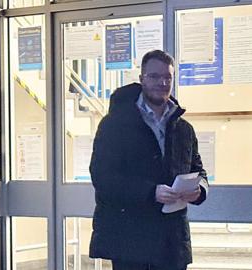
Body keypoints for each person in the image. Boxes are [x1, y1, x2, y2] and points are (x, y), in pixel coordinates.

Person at [89, 50, 209, 270]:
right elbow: (103, 178)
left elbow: (198, 170)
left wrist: (200, 189)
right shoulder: (114, 125)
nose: (162, 82)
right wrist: (150, 192)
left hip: (172, 242)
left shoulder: (184, 129)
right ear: (142, 79)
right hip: (130, 240)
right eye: (154, 76)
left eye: (168, 77)